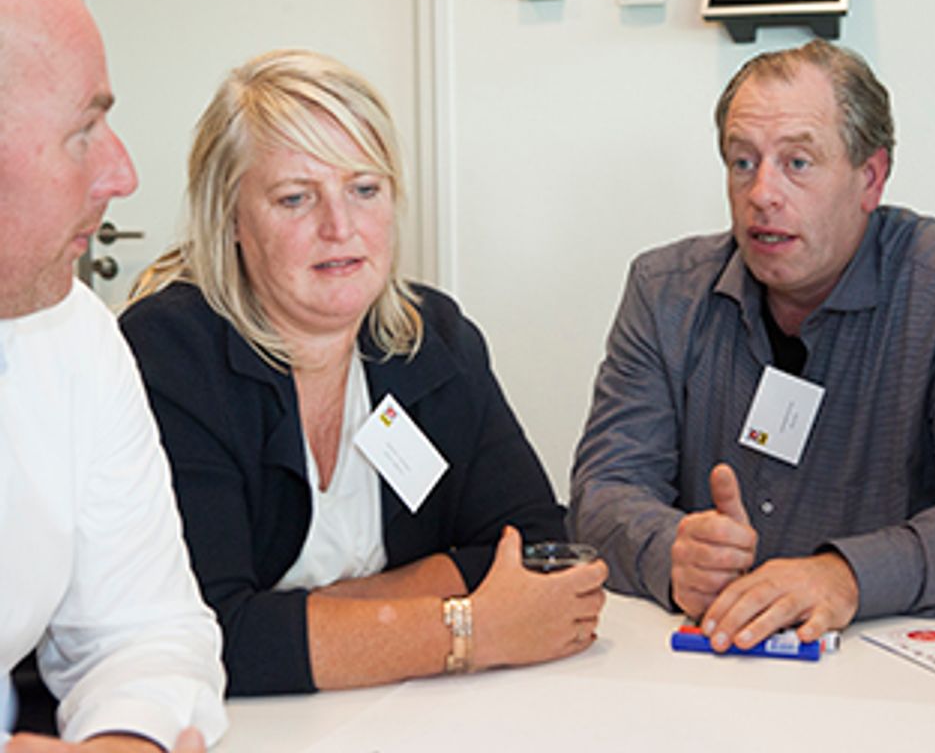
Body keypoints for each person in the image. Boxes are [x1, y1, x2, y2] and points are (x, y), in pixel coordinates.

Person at [119, 49, 607, 696]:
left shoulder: (433, 338)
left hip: (403, 714)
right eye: (296, 198)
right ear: (229, 218)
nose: (340, 226)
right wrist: (468, 628)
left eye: (364, 189)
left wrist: (321, 618)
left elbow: (533, 548)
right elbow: (204, 634)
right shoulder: (172, 352)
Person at [569, 39, 935, 653]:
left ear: (870, 178)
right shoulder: (664, 292)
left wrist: (847, 576)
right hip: (708, 664)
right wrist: (672, 551)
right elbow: (603, 492)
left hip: (893, 668)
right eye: (743, 162)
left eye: (798, 163)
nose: (762, 193)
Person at [0, 0, 226, 750]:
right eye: (82, 132)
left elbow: (145, 629)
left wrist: (125, 740)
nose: (122, 174)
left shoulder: (72, 335)